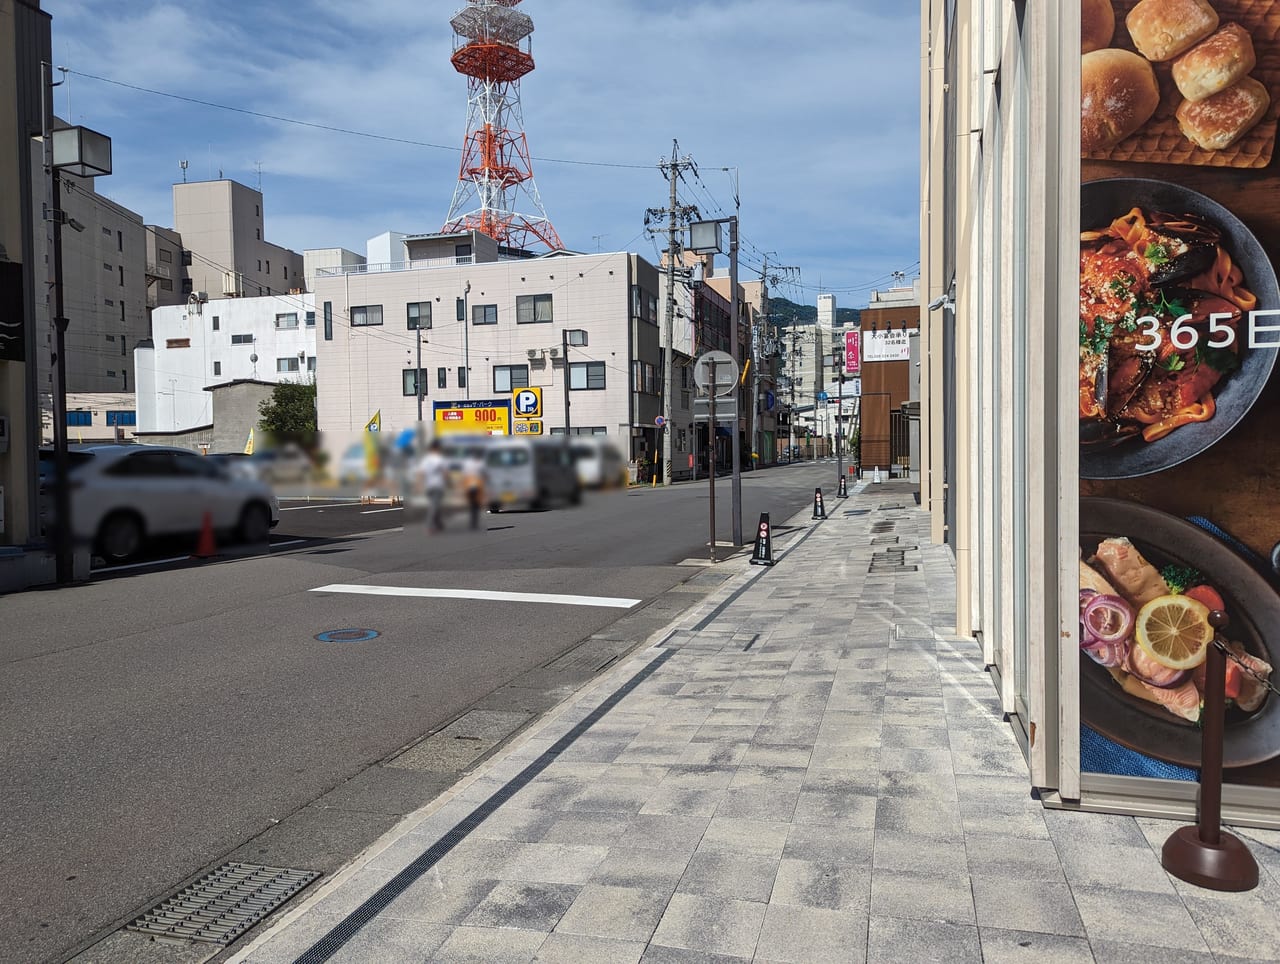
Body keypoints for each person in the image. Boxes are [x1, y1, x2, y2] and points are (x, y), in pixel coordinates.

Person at [416, 439, 448, 532]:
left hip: (428, 485)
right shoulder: (440, 459)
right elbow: (445, 473)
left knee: (435, 504)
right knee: (434, 506)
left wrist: (418, 484)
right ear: (438, 448)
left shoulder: (426, 459)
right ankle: (429, 525)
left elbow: (421, 473)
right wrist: (450, 484)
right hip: (438, 485)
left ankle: (439, 524)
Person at [461, 449, 487, 530]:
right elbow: (484, 475)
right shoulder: (481, 463)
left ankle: (473, 523)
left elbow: (464, 475)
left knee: (472, 505)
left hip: (469, 485)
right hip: (477, 486)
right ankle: (474, 523)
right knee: (476, 505)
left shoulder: (467, 463)